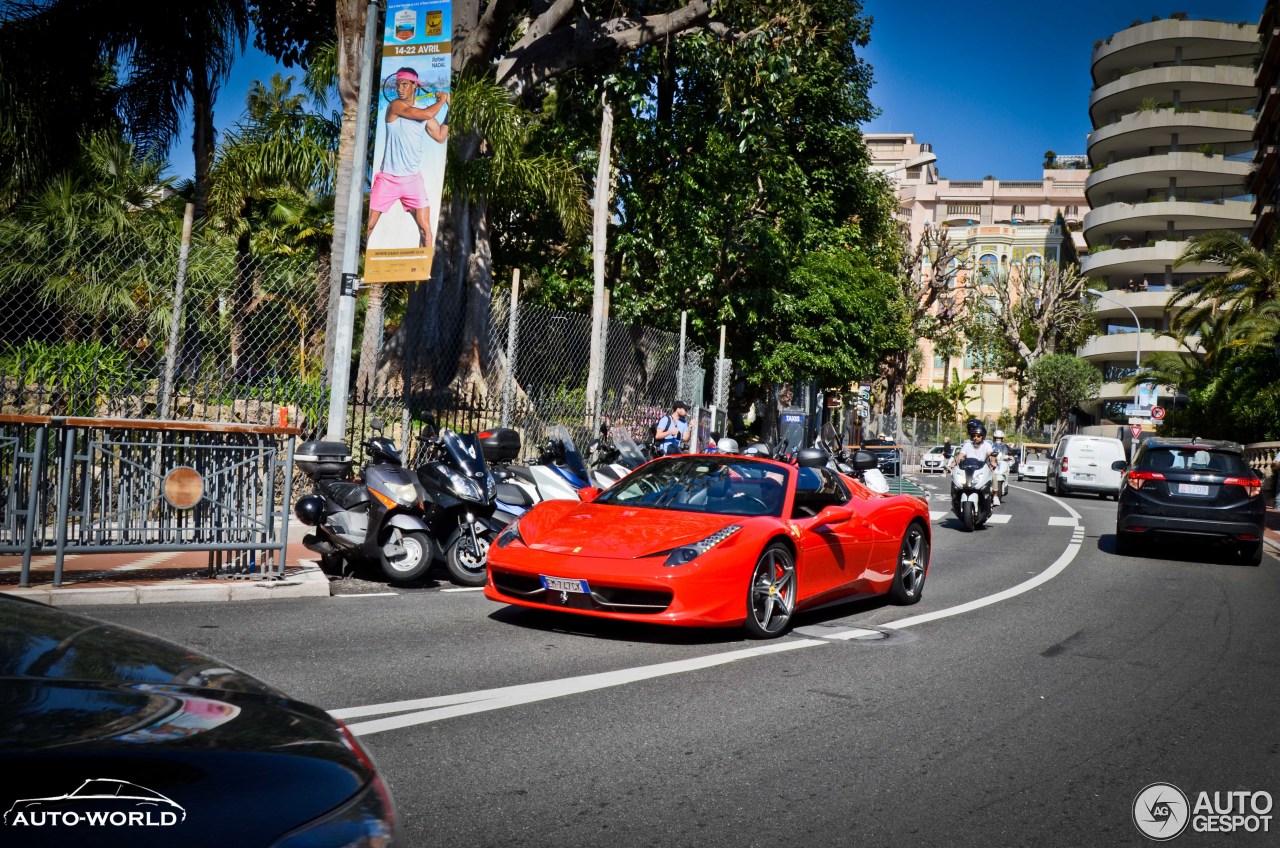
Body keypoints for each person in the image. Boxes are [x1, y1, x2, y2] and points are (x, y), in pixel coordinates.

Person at [367, 68, 450, 251]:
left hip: (412, 180)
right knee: (369, 224)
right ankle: (352, 264)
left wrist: (449, 109)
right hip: (388, 178)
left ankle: (424, 270)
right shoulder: (395, 106)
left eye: (404, 84)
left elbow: (440, 136)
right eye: (397, 85)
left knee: (425, 229)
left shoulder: (422, 113)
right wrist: (443, 100)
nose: (400, 88)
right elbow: (427, 114)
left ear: (415, 85)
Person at [950, 422, 1000, 506]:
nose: (975, 438)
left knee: (993, 474)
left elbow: (991, 454)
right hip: (967, 468)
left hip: (982, 467)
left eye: (978, 436)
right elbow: (960, 455)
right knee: (956, 477)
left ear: (982, 436)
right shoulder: (967, 445)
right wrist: (953, 463)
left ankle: (995, 496)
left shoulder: (986, 445)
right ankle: (956, 498)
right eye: (974, 436)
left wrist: (993, 462)